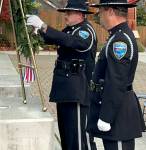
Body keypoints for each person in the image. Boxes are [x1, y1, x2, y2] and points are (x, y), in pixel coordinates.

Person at [26, 0, 97, 149]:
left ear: (80, 14)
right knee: (66, 133)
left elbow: (72, 42)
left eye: (69, 12)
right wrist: (38, 30)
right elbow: (57, 38)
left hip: (77, 89)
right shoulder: (70, 29)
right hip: (65, 88)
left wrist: (44, 26)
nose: (65, 15)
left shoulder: (85, 30)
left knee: (77, 136)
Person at [87, 0, 146, 150]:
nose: (99, 16)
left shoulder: (120, 40)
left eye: (101, 11)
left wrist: (106, 117)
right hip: (116, 110)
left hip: (117, 114)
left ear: (111, 11)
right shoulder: (117, 36)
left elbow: (116, 81)